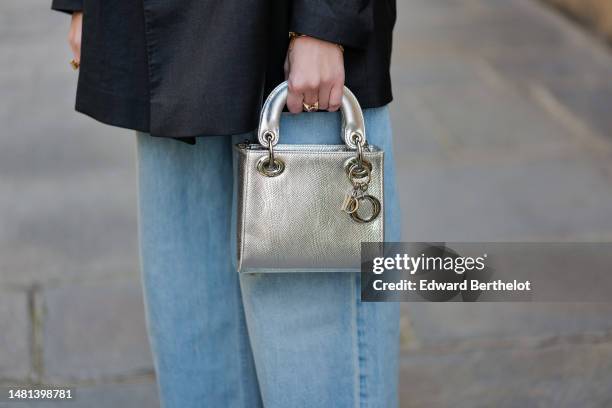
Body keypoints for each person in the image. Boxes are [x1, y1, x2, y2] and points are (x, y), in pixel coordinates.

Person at [52, 0, 400, 406]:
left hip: (292, 39)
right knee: (195, 358)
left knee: (314, 368)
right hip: (160, 40)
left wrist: (328, 21)